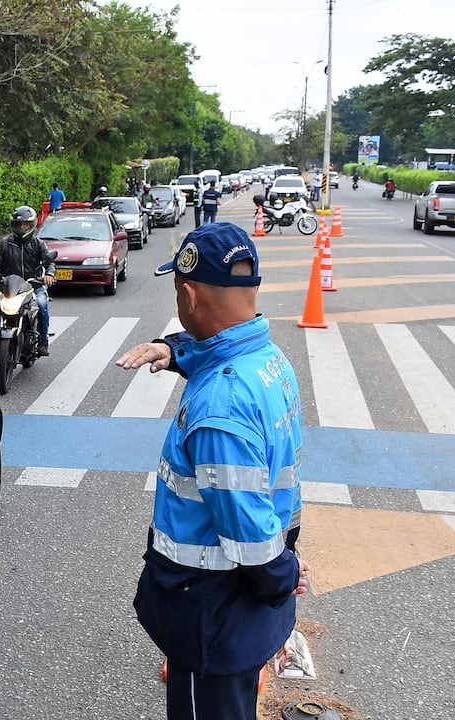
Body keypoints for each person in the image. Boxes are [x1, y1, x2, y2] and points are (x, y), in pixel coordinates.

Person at [114, 222, 309, 720]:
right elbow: (218, 348)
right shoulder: (269, 359)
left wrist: (283, 576)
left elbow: (247, 532)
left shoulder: (220, 404)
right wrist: (174, 349)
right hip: (238, 610)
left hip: (211, 610)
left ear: (190, 294)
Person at [0, 206, 56, 356]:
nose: (22, 228)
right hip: (8, 287)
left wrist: (49, 274)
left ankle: (43, 340)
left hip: (33, 285)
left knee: (42, 305)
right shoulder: (5, 244)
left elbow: (49, 262)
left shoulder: (38, 244)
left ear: (32, 225)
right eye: (18, 225)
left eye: (25, 225)